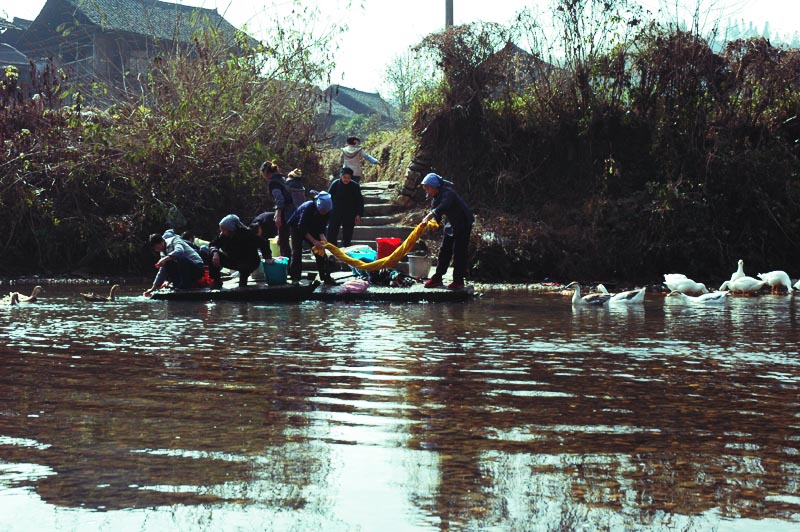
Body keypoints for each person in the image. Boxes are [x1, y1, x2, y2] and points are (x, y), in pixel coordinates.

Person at [420, 173, 474, 290]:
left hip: (463, 223)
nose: (427, 191)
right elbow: (437, 215)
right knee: (444, 250)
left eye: (428, 188)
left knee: (459, 252)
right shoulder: (435, 198)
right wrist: (434, 223)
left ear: (435, 186)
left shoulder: (448, 193)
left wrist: (430, 215)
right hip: (451, 224)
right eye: (426, 189)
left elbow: (443, 206)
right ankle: (437, 278)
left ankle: (458, 281)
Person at [209, 214, 273, 289]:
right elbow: (213, 244)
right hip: (234, 261)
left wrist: (267, 257)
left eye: (223, 229)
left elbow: (263, 243)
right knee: (211, 254)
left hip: (250, 262)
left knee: (244, 272)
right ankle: (217, 281)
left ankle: (243, 283)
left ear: (230, 229)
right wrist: (215, 253)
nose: (222, 232)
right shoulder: (223, 236)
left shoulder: (247, 234)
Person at [287, 191, 336, 285]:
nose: (324, 213)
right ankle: (295, 278)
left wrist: (322, 239)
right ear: (318, 206)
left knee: (321, 252)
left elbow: (322, 226)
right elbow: (301, 227)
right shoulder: (308, 207)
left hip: (313, 227)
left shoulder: (327, 211)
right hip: (297, 227)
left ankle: (326, 277)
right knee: (297, 251)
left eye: (326, 211)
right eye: (322, 211)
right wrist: (313, 241)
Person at [144, 229, 206, 297]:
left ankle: (185, 285)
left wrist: (165, 259)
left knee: (179, 257)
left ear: (162, 242)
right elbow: (162, 271)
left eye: (157, 247)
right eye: (155, 249)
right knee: (167, 263)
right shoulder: (162, 252)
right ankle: (178, 285)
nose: (157, 250)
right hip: (185, 273)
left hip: (197, 269)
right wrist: (153, 288)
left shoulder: (175, 240)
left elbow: (180, 251)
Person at [261, 160, 295, 257]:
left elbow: (280, 200)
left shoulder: (273, 183)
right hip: (292, 211)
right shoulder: (282, 179)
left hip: (285, 213)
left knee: (283, 241)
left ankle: (285, 266)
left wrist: (278, 216)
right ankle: (288, 264)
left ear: (266, 172)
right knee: (285, 240)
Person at [326, 166, 364, 247]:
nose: (346, 179)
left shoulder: (355, 186)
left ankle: (345, 251)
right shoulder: (335, 184)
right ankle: (332, 251)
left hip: (349, 213)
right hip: (335, 212)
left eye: (348, 178)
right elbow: (328, 197)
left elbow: (359, 201)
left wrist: (358, 214)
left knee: (347, 235)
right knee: (331, 232)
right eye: (344, 177)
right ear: (341, 176)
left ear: (351, 178)